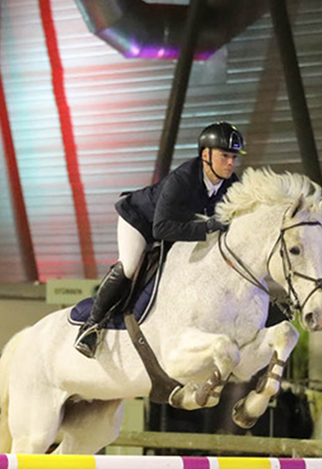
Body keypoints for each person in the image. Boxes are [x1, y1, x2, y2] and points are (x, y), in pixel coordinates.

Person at [74, 121, 246, 358]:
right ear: (206, 154)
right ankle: (91, 326)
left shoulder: (231, 184)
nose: (230, 162)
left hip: (177, 231)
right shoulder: (183, 179)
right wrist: (207, 228)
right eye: (225, 155)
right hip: (141, 221)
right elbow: (161, 228)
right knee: (130, 266)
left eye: (234, 157)